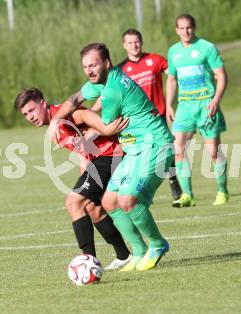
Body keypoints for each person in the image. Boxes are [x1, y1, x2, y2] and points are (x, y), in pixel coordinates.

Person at [50, 43, 174, 271]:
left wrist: (83, 138)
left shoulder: (112, 90)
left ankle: (157, 244)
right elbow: (76, 98)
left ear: (107, 64)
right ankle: (137, 251)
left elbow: (105, 125)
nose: (89, 70)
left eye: (94, 65)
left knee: (127, 200)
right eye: (85, 66)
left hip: (155, 146)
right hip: (135, 150)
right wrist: (56, 121)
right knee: (108, 201)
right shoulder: (104, 81)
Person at [14, 87, 132, 270]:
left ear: (43, 104)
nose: (30, 116)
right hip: (100, 160)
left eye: (32, 110)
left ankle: (87, 262)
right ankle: (124, 256)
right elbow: (83, 153)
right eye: (25, 114)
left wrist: (98, 130)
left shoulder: (64, 116)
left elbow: (84, 115)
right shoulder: (54, 127)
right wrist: (83, 179)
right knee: (92, 208)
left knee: (73, 203)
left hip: (110, 156)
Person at [166, 13, 230, 208]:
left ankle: (222, 191)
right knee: (178, 150)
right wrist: (169, 104)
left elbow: (221, 75)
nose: (186, 31)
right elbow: (171, 79)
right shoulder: (173, 51)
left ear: (194, 28)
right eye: (182, 28)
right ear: (177, 30)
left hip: (206, 106)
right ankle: (188, 195)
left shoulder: (207, 48)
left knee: (213, 152)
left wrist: (216, 100)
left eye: (189, 27)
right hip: (185, 107)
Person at [118, 28, 182, 201]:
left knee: (165, 152)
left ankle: (174, 182)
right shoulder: (121, 69)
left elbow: (174, 74)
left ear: (142, 41)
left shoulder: (154, 60)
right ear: (124, 45)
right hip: (134, 121)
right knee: (136, 154)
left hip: (156, 116)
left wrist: (170, 104)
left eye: (136, 41)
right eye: (130, 42)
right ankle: (136, 189)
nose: (134, 45)